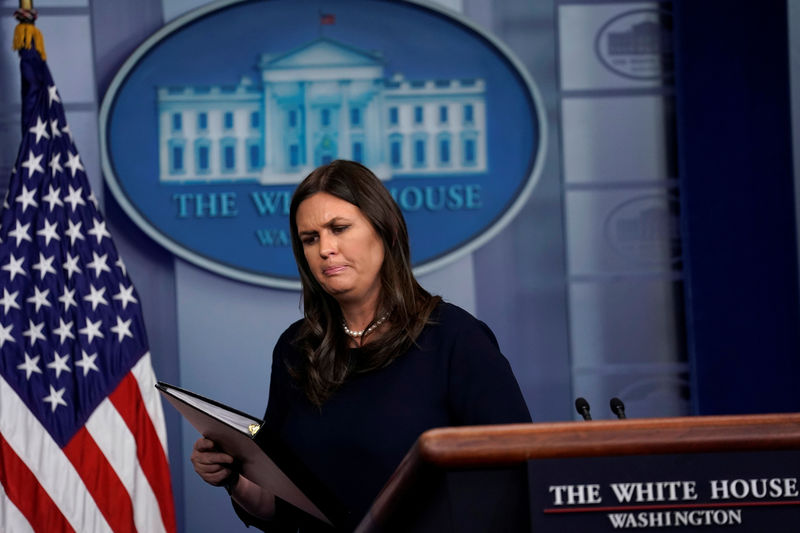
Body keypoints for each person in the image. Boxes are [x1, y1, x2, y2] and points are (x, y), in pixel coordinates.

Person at [191, 160, 531, 532]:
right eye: (310, 238)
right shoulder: (295, 348)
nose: (325, 249)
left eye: (339, 228)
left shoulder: (454, 337)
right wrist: (233, 477)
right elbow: (284, 505)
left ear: (384, 231)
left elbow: (513, 478)